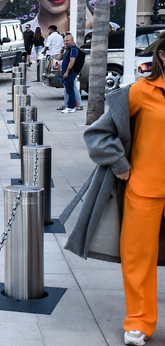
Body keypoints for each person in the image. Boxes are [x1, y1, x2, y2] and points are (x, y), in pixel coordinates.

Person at [64, 33, 165, 346]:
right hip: (145, 190)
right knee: (137, 259)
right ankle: (139, 322)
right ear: (162, 57)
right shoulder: (140, 91)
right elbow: (99, 133)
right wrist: (119, 165)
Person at [58, 33, 78, 114]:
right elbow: (59, 58)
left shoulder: (73, 49)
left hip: (70, 72)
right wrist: (62, 50)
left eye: (67, 41)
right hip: (66, 73)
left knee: (70, 90)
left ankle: (71, 107)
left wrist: (67, 72)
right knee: (68, 89)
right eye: (64, 41)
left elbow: (72, 61)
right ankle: (70, 106)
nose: (66, 42)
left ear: (72, 40)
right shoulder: (68, 49)